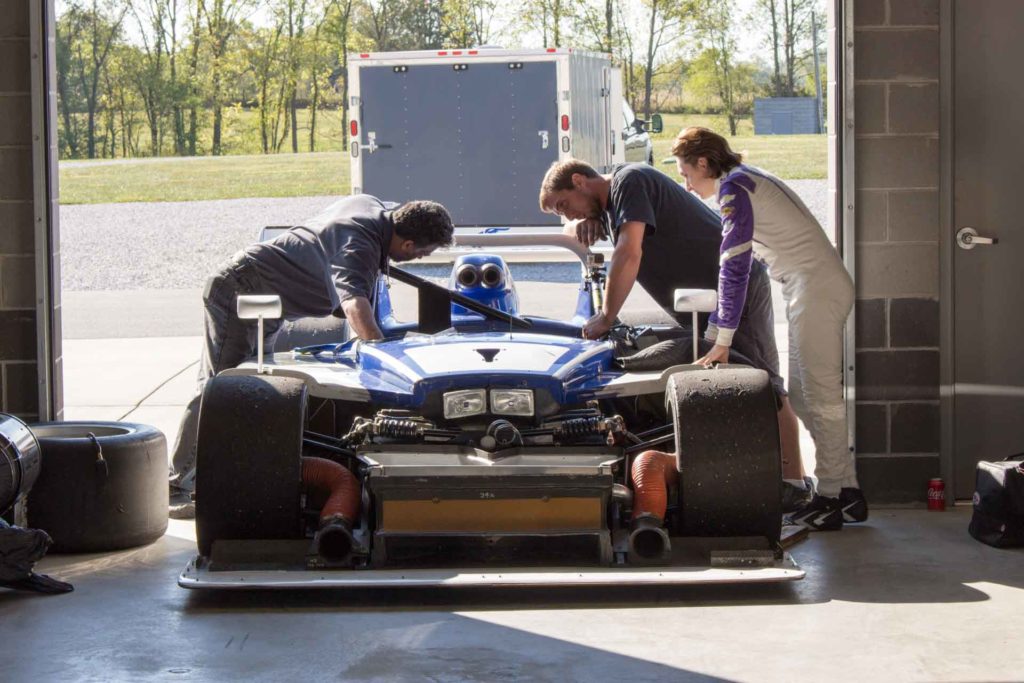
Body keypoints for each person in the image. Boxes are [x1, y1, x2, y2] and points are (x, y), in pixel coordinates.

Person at [168, 195, 455, 516]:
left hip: (264, 298)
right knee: (221, 388)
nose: (421, 257)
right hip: (241, 290)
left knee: (249, 387)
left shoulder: (374, 207)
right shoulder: (361, 243)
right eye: (423, 253)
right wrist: (383, 354)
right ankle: (179, 485)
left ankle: (230, 473)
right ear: (408, 244)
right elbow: (354, 305)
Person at [538, 159, 800, 468]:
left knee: (765, 383)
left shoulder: (629, 181)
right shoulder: (611, 203)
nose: (567, 215)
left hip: (734, 290)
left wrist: (607, 316)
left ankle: (794, 482)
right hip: (703, 302)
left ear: (580, 180)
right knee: (738, 381)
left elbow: (629, 251)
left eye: (563, 205)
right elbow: (582, 223)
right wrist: (586, 219)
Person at [672, 126, 866, 531]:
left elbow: (734, 267)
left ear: (704, 163)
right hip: (811, 288)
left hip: (816, 290)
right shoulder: (744, 179)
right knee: (805, 396)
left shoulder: (734, 190)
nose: (686, 185)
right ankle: (845, 491)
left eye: (686, 173)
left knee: (821, 396)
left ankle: (831, 495)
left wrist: (720, 338)